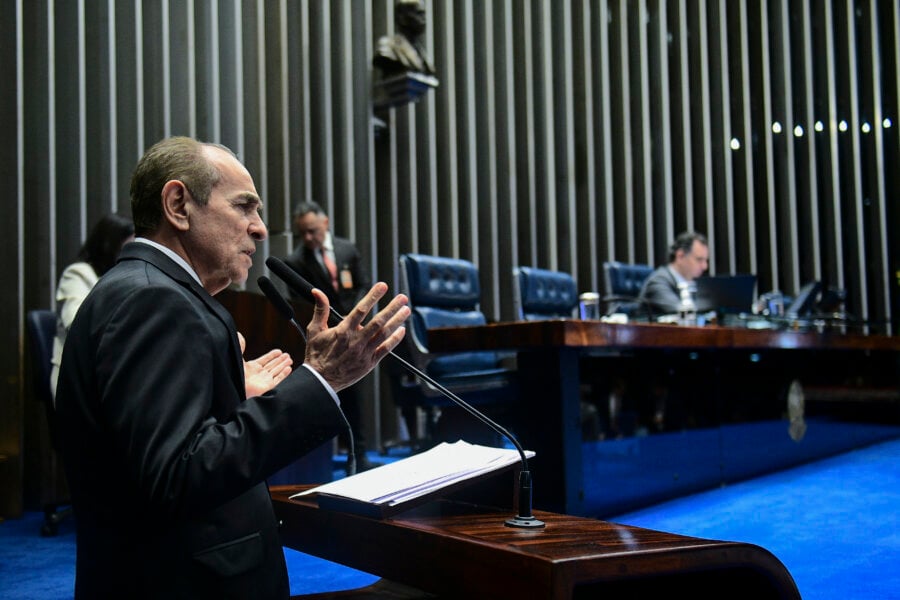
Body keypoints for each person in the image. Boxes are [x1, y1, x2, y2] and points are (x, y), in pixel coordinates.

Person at [54, 136, 410, 599]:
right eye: (245, 207)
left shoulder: (146, 290)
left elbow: (156, 450)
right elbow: (179, 474)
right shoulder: (154, 300)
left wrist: (227, 396)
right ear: (178, 204)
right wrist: (322, 379)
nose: (260, 229)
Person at [283, 201, 375, 472]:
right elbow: (300, 303)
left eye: (313, 231)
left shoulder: (347, 248)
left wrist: (355, 316)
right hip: (327, 335)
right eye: (303, 234)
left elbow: (363, 284)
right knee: (333, 396)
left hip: (355, 328)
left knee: (357, 396)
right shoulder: (294, 262)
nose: (309, 238)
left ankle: (360, 453)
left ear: (325, 223)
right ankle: (342, 454)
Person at [50, 212, 135, 400]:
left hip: (117, 373)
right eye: (129, 247)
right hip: (79, 378)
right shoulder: (79, 274)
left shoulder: (133, 278)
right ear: (109, 246)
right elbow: (77, 323)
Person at [637, 231, 710, 316]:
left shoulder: (695, 284)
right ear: (680, 256)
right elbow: (683, 312)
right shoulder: (658, 282)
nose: (705, 266)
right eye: (699, 259)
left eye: (705, 260)